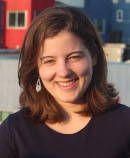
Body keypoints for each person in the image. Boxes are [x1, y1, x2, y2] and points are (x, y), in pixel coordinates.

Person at [0, 7, 130, 158]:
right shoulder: (13, 132)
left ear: (94, 56)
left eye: (74, 57)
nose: (63, 72)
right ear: (36, 68)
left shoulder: (125, 125)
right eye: (49, 61)